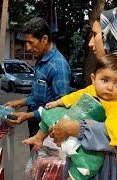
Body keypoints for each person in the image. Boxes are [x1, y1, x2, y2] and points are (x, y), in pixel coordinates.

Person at [49, 7, 117, 180]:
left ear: (116, 32)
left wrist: (76, 129)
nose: (91, 43)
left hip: (108, 166)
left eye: (95, 35)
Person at [23, 54, 117, 179]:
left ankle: (73, 177)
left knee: (91, 163)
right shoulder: (90, 90)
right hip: (67, 122)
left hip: (84, 140)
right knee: (51, 112)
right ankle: (38, 137)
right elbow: (74, 96)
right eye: (105, 80)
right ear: (93, 78)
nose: (109, 87)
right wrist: (59, 102)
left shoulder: (115, 106)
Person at [5, 17, 71, 148]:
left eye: (31, 42)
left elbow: (60, 107)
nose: (28, 48)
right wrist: (19, 103)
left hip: (47, 131)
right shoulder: (41, 60)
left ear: (44, 39)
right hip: (35, 124)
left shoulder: (58, 66)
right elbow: (39, 96)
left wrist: (28, 115)